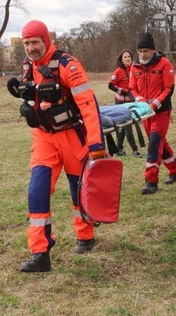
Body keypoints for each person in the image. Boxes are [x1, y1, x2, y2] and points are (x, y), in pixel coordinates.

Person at [13, 20, 108, 273]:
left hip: (72, 136)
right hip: (43, 138)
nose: (31, 48)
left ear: (46, 40)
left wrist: (96, 144)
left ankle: (85, 235)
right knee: (37, 191)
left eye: (35, 42)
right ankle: (40, 253)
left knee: (78, 190)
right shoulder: (26, 67)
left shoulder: (67, 64)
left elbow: (88, 103)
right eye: (26, 43)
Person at [129, 31, 176, 195]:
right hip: (145, 113)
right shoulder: (135, 67)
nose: (143, 54)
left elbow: (169, 88)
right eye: (140, 51)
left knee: (154, 143)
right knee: (160, 142)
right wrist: (139, 100)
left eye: (146, 51)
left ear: (153, 50)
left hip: (161, 111)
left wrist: (155, 104)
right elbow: (132, 88)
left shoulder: (165, 64)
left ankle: (151, 180)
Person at [107, 49, 142, 158]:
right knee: (127, 126)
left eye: (129, 57)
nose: (128, 59)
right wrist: (122, 91)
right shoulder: (118, 71)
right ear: (121, 60)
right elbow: (110, 85)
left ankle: (119, 149)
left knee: (123, 126)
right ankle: (135, 150)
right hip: (120, 103)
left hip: (131, 101)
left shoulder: (134, 69)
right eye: (125, 57)